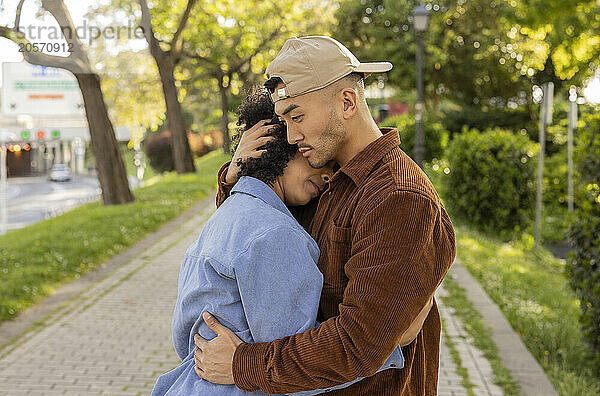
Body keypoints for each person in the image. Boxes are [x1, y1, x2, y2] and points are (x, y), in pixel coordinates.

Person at [194, 36, 457, 395]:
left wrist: (242, 365)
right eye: (284, 121)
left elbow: (357, 347)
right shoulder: (324, 179)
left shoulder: (398, 199)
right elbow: (249, 239)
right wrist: (239, 172)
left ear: (347, 102)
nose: (291, 135)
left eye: (297, 117)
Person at [151, 87, 405, 396]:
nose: (328, 177)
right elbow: (297, 374)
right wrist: (391, 343)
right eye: (316, 158)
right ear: (279, 146)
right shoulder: (274, 234)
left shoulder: (223, 218)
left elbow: (185, 340)